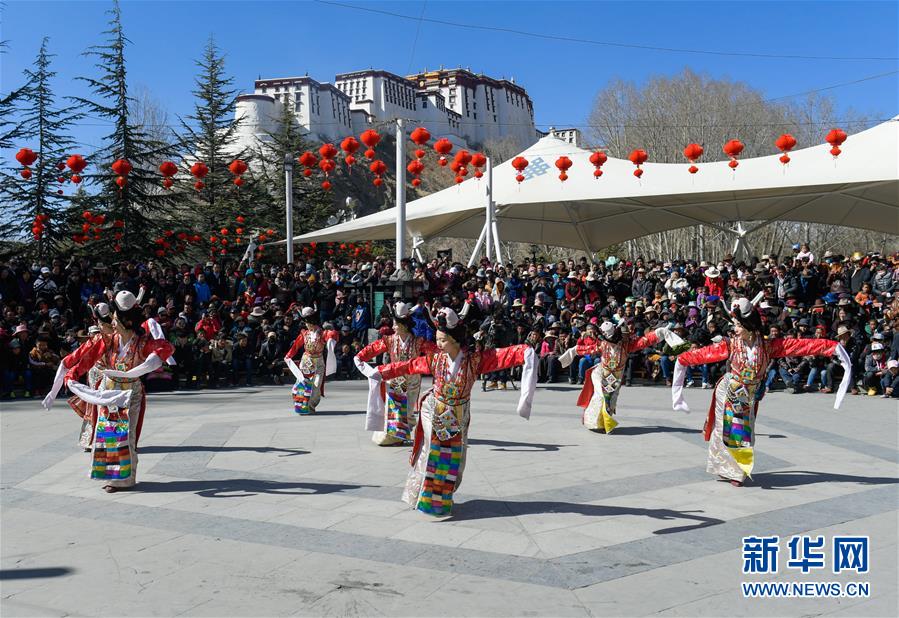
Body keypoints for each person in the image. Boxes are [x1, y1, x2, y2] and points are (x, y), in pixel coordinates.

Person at [360, 307, 537, 516]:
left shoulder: (475, 360)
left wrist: (525, 350)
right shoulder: (436, 360)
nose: (438, 345)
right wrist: (380, 371)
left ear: (454, 340)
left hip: (459, 414)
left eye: (442, 340)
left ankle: (443, 496)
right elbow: (409, 365)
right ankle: (425, 499)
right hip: (435, 409)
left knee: (456, 460)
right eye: (437, 340)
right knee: (432, 454)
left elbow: (503, 355)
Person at [671, 297, 850, 487]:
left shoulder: (767, 345)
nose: (736, 329)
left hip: (748, 395)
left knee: (742, 431)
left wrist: (831, 347)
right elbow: (702, 354)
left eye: (739, 325)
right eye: (736, 325)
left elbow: (800, 346)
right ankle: (733, 471)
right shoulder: (731, 344)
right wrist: (682, 360)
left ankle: (733, 469)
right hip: (730, 390)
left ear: (749, 325)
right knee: (729, 429)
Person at [41, 291, 174, 492]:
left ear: (126, 321)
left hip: (130, 395)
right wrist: (68, 378)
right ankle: (112, 476)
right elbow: (82, 357)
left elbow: (164, 350)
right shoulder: (108, 340)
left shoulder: (142, 342)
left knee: (126, 435)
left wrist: (136, 371)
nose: (112, 322)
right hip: (109, 392)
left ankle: (126, 479)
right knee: (109, 434)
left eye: (115, 318)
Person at [572, 321, 681, 433]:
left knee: (611, 399)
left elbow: (646, 340)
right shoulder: (603, 343)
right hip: (601, 372)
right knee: (601, 395)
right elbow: (587, 348)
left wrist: (659, 332)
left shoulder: (628, 345)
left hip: (616, 376)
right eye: (623, 335)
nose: (625, 337)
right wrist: (573, 350)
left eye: (627, 335)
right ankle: (592, 421)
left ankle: (603, 423)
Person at [354, 302, 438, 446]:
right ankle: (395, 436)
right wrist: (360, 358)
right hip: (394, 381)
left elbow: (435, 353)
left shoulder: (418, 342)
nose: (393, 327)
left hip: (412, 381)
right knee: (394, 410)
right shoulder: (390, 340)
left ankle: (401, 433)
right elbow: (371, 350)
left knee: (408, 411)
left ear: (404, 325)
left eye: (395, 324)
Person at [283, 307, 338, 414]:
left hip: (318, 362)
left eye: (307, 322)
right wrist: (289, 355)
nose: (306, 325)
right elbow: (296, 346)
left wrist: (332, 330)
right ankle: (302, 405)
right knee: (303, 384)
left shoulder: (322, 333)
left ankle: (311, 405)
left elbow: (333, 336)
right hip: (306, 362)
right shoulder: (304, 333)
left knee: (316, 386)